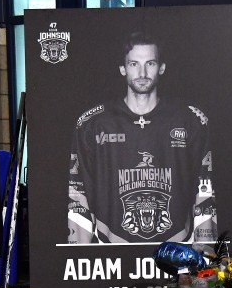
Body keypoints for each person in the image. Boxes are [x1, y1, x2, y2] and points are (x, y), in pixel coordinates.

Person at [68, 31, 217, 244]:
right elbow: (77, 191)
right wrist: (80, 253)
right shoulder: (93, 124)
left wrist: (206, 250)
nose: (142, 72)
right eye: (134, 64)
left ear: (162, 68)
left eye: (150, 63)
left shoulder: (190, 120)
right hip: (112, 250)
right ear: (122, 68)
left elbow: (205, 188)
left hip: (176, 246)